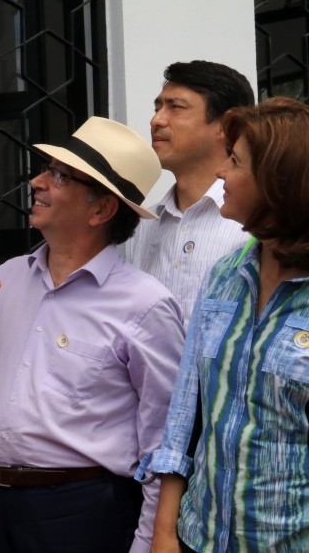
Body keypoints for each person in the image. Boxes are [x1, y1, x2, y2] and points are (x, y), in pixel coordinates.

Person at [0, 117, 185, 553]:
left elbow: (164, 439)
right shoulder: (4, 279)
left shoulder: (145, 305)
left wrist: (147, 542)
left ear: (101, 210)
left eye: (58, 175)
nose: (37, 182)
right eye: (46, 168)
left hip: (81, 511)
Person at [143, 96, 309, 553]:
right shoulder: (225, 276)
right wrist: (164, 532)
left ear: (277, 181)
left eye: (234, 162)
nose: (220, 173)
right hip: (199, 539)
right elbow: (185, 413)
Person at [125, 60, 255, 327]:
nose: (156, 120)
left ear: (226, 125)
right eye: (158, 107)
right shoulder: (142, 227)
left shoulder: (256, 223)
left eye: (176, 107)